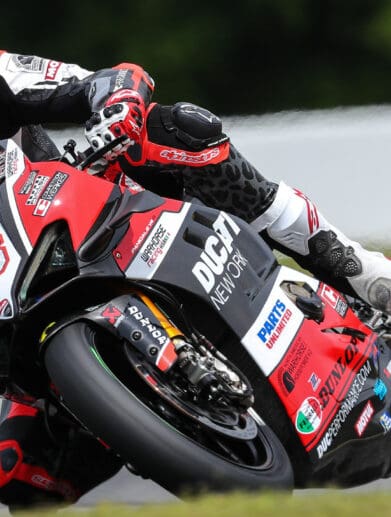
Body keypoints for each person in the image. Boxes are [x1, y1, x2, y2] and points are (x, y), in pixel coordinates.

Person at [1, 49, 391, 509]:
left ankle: (357, 270)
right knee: (19, 474)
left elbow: (111, 80)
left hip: (79, 211)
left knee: (178, 130)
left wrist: (118, 105)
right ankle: (152, 415)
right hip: (21, 334)